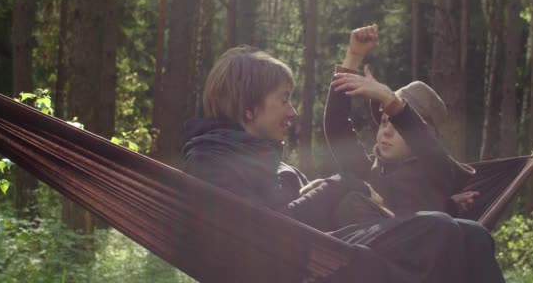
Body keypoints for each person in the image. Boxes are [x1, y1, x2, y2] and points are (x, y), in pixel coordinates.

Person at [182, 45, 470, 282]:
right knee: (441, 228)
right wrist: (339, 184)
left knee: (472, 234)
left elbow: (277, 215)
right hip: (316, 263)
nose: (293, 112)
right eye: (284, 101)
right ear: (249, 109)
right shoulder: (212, 161)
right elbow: (262, 233)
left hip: (332, 253)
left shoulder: (250, 157)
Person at [325, 25, 505, 283]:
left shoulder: (438, 170)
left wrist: (390, 99)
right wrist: (352, 57)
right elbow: (337, 127)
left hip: (427, 268)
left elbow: (427, 147)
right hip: (375, 268)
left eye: (396, 124)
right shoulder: (366, 173)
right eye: (384, 121)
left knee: (475, 233)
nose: (385, 131)